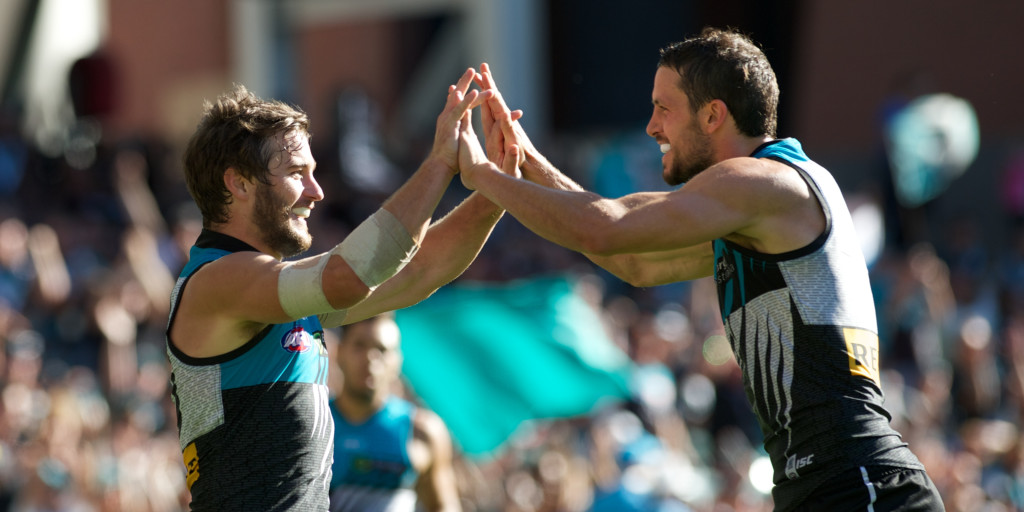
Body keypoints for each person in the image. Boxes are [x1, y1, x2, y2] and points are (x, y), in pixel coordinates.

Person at [458, 28, 945, 511]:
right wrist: (526, 163)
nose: (652, 127)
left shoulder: (760, 182)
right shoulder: (757, 203)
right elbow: (632, 260)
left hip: (857, 483)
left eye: (663, 109)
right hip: (835, 484)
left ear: (713, 114)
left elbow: (606, 228)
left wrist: (484, 176)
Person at [166, 69, 518, 511]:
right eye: (298, 173)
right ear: (238, 183)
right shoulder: (218, 280)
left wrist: (498, 187)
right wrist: (440, 162)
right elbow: (345, 276)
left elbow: (421, 269)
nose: (316, 192)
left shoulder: (273, 291)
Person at [329, 312, 459, 511]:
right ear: (339, 352)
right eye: (359, 346)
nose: (370, 358)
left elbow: (443, 506)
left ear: (397, 361)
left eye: (382, 349)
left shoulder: (422, 431)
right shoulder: (312, 426)